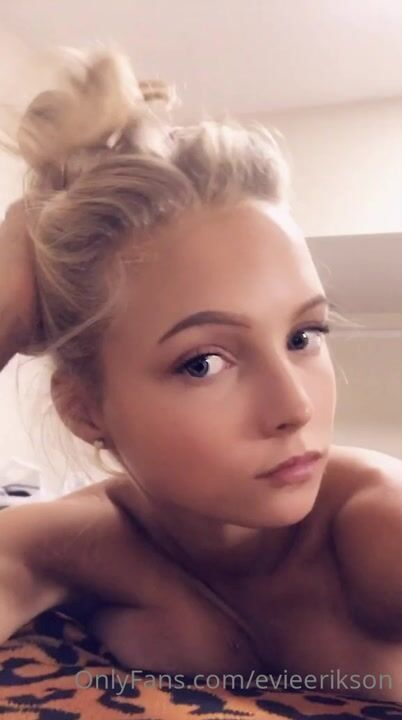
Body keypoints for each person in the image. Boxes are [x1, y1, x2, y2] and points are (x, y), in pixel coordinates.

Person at [0, 47, 401, 701]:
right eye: (203, 362)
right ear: (84, 410)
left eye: (303, 336)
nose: (295, 407)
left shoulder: (377, 523)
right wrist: (9, 307)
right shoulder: (70, 540)